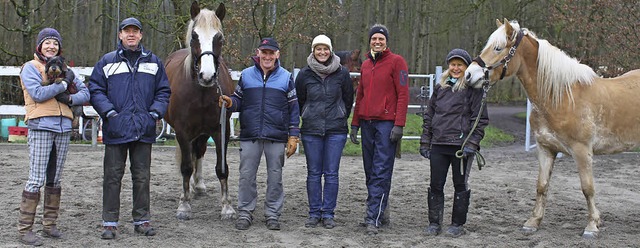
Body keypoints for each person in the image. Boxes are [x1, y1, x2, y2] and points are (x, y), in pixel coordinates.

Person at [88, 17, 171, 239]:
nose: (131, 35)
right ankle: (110, 222)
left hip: (143, 130)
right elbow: (95, 89)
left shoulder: (154, 62)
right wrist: (109, 113)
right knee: (112, 177)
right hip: (116, 129)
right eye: (127, 31)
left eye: (135, 31)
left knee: (142, 177)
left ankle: (142, 220)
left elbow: (163, 91)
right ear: (120, 35)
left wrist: (154, 113)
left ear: (141, 35)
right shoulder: (107, 62)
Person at [17, 27, 90, 246]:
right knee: (36, 177)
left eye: (55, 43)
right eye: (48, 43)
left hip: (64, 127)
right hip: (41, 125)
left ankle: (49, 225)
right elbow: (38, 94)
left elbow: (85, 93)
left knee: (55, 179)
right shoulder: (30, 68)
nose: (52, 47)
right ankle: (25, 229)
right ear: (39, 46)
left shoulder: (67, 68)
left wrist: (69, 100)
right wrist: (65, 85)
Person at [219, 37, 300, 231]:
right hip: (250, 134)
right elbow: (239, 99)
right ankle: (245, 212)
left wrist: (293, 135)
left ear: (277, 55)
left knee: (275, 177)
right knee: (246, 176)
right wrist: (230, 102)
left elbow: (293, 108)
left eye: (271, 53)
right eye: (264, 52)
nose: (267, 56)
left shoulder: (286, 77)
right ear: (258, 53)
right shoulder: (246, 75)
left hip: (276, 135)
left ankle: (272, 214)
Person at [420, 48, 489, 237]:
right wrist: (426, 141)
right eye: (453, 64)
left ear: (466, 67)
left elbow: (479, 119)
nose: (456, 68)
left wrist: (472, 143)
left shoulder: (474, 89)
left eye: (460, 65)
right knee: (436, 184)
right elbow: (430, 115)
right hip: (439, 144)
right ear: (448, 66)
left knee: (460, 184)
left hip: (461, 146)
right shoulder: (441, 87)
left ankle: (457, 224)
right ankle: (434, 223)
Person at [349, 24, 409, 235]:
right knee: (369, 172)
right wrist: (355, 123)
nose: (377, 42)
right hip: (367, 123)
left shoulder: (397, 62)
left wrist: (399, 124)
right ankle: (380, 213)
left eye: (381, 39)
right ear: (369, 41)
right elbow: (361, 96)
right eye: (374, 38)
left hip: (386, 124)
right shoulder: (365, 65)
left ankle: (372, 217)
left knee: (381, 172)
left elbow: (403, 94)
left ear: (386, 41)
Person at [295, 35, 354, 229]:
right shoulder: (304, 74)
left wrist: (340, 115)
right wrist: (309, 114)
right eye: (318, 49)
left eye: (325, 49)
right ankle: (314, 212)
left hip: (335, 130)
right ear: (313, 51)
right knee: (313, 173)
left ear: (331, 50)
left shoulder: (342, 73)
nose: (322, 52)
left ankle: (328, 213)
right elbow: (300, 100)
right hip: (311, 130)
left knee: (331, 174)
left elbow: (347, 98)